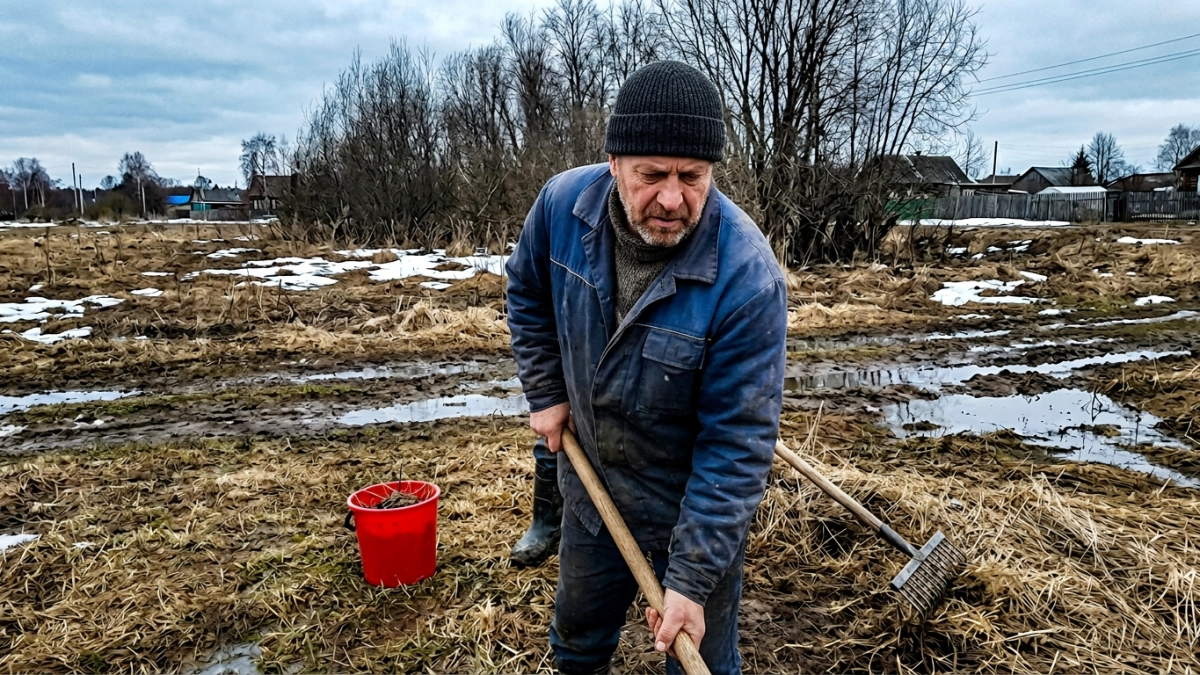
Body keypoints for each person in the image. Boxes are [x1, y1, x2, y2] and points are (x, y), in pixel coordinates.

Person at [506, 60, 787, 675]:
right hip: (591, 487)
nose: (671, 197)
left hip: (688, 507)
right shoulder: (560, 207)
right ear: (613, 163)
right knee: (576, 646)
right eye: (652, 174)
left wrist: (690, 577)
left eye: (692, 176)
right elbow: (526, 293)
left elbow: (737, 444)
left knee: (700, 661)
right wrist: (547, 391)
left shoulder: (747, 278)